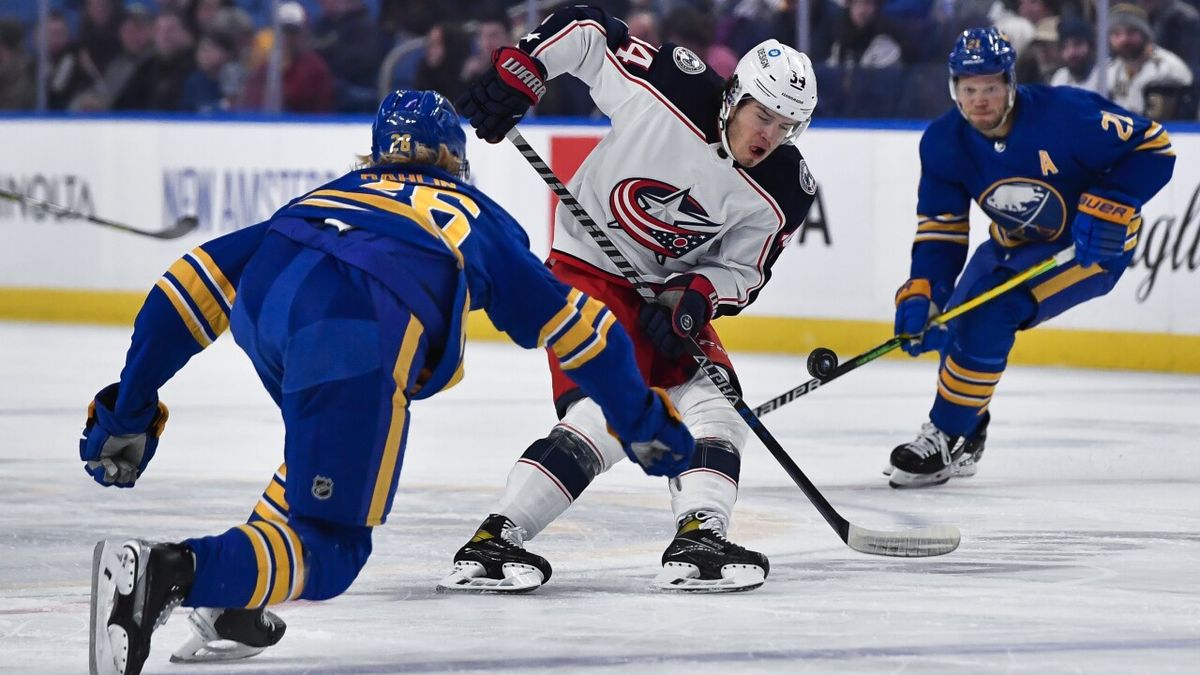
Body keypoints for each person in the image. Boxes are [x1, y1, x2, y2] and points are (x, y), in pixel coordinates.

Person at [84, 90, 695, 675]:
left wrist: (129, 407)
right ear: (456, 158)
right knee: (331, 550)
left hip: (270, 302)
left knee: (323, 450)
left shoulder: (333, 195)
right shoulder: (474, 214)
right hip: (354, 326)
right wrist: (640, 421)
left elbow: (187, 286)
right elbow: (586, 328)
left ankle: (235, 600)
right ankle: (172, 572)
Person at [444, 4, 819, 593]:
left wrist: (695, 297)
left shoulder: (785, 191)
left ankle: (700, 535)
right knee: (608, 410)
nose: (768, 135)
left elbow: (743, 269)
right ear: (734, 96)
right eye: (762, 114)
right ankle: (496, 538)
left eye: (786, 126)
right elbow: (589, 33)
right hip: (590, 267)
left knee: (718, 405)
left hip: (664, 296)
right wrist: (525, 67)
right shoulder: (670, 83)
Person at [886, 28, 1175, 488]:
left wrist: (1112, 201)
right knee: (952, 320)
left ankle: (945, 434)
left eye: (991, 88)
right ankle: (967, 432)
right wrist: (926, 288)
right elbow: (941, 231)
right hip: (1012, 244)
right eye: (969, 89)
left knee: (990, 312)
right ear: (954, 89)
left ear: (1011, 84)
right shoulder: (943, 142)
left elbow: (1154, 146)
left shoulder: (1066, 114)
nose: (980, 100)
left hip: (1090, 248)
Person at [1105, 3, 1193, 118]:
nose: (1124, 39)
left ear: (1145, 34)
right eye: (1116, 34)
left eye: (1131, 32)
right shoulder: (1110, 70)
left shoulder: (1167, 68)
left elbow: (1158, 122)